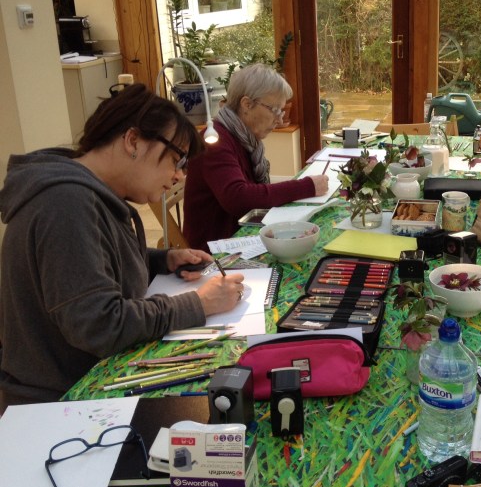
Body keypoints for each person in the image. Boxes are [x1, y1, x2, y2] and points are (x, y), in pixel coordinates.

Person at [0, 84, 245, 411]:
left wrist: (162, 260)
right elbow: (100, 325)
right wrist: (199, 303)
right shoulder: (65, 203)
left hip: (88, 384)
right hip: (61, 404)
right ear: (133, 141)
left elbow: (91, 266)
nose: (178, 175)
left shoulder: (88, 195)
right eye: (176, 159)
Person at [183, 63, 330, 250]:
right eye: (274, 110)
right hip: (215, 252)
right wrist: (306, 186)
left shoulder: (244, 138)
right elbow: (239, 198)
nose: (279, 120)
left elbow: (252, 192)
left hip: (241, 236)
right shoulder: (214, 141)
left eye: (281, 111)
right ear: (246, 104)